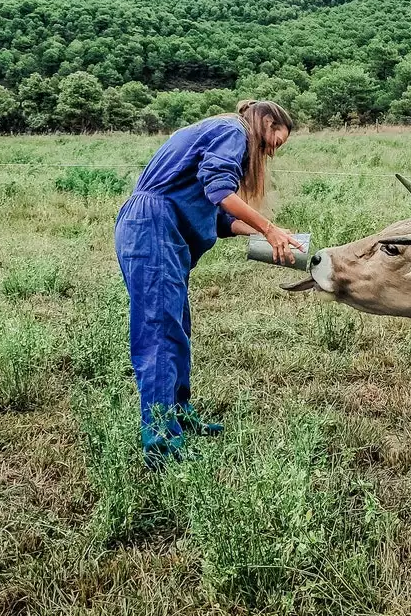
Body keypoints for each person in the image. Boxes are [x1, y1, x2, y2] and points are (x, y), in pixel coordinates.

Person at [115, 98, 301, 463]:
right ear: (265, 120)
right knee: (159, 334)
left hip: (159, 232)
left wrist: (272, 238)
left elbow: (219, 217)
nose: (273, 150)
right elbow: (220, 192)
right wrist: (269, 227)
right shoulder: (233, 129)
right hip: (152, 230)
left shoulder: (218, 133)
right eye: (276, 138)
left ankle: (180, 416)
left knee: (176, 329)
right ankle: (162, 441)